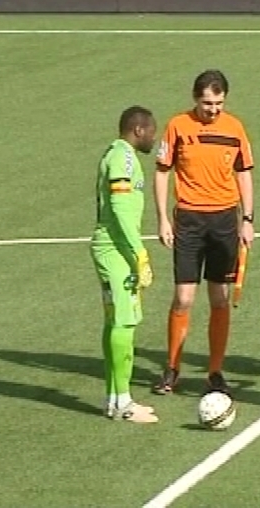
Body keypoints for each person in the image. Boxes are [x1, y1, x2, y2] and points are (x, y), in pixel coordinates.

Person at [153, 69, 255, 396]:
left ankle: (214, 371)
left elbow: (244, 174)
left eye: (219, 103)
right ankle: (172, 367)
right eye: (207, 103)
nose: (213, 109)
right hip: (189, 220)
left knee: (219, 298)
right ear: (195, 99)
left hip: (225, 220)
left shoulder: (234, 127)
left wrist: (248, 219)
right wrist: (162, 219)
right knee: (184, 297)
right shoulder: (178, 126)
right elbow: (162, 172)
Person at [90, 105, 158, 424]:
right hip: (116, 250)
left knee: (116, 321)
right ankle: (123, 403)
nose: (154, 139)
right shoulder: (124, 157)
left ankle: (115, 398)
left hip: (114, 249)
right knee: (124, 322)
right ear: (139, 129)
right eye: (152, 132)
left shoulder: (117, 154)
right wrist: (138, 253)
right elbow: (118, 206)